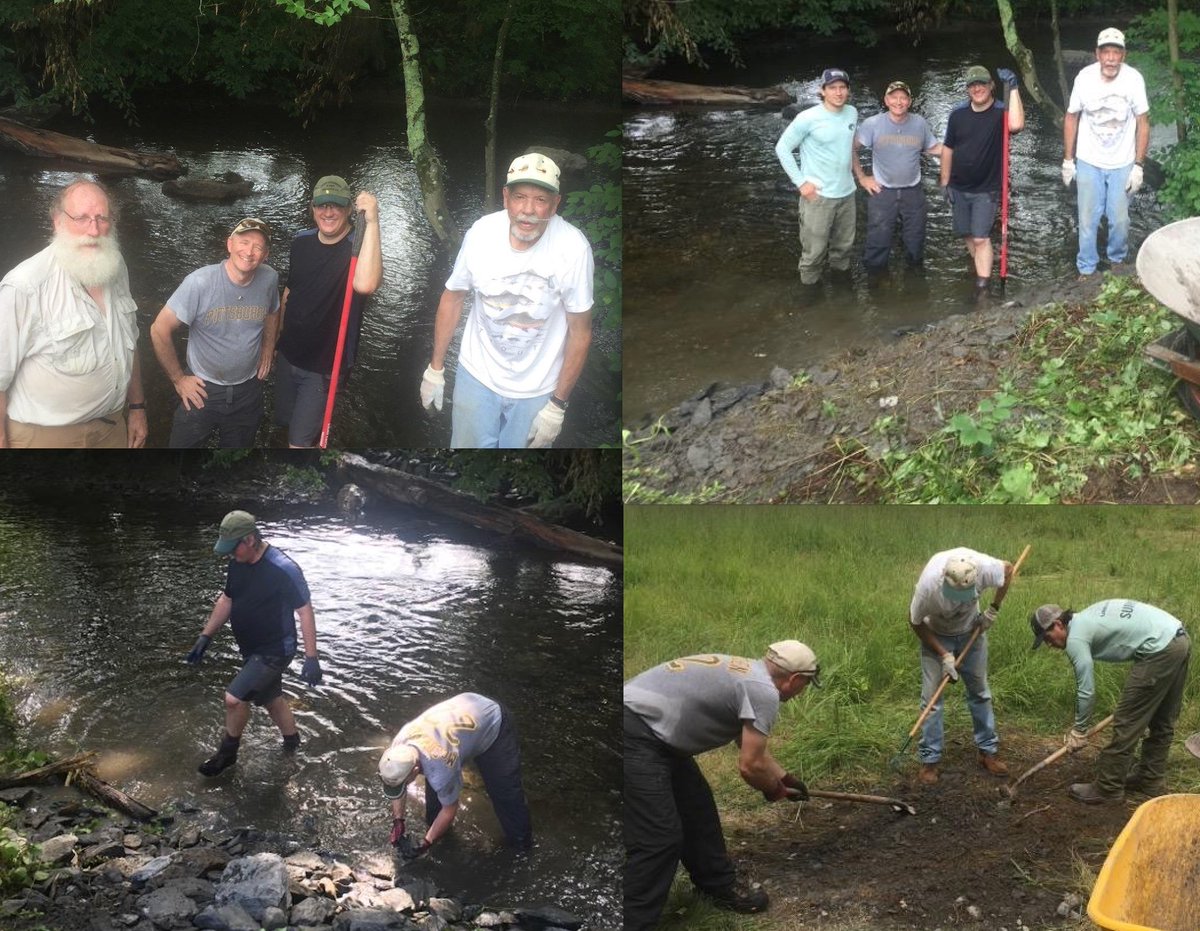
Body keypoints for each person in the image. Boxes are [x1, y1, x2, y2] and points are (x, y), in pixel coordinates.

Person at [623, 641, 819, 929]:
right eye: (805, 684)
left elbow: (749, 745)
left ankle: (717, 885)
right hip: (635, 734)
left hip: (658, 736)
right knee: (659, 838)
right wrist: (773, 789)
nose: (802, 691)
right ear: (794, 679)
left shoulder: (749, 673)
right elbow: (749, 766)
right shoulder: (764, 692)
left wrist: (784, 778)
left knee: (696, 810)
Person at [419, 152, 595, 448]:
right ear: (505, 198)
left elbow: (581, 331)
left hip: (537, 388)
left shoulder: (573, 249)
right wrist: (435, 369)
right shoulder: (481, 234)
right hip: (477, 375)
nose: (528, 210)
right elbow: (453, 297)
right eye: (520, 197)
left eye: (541, 200)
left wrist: (556, 406)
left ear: (555, 204)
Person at [0, 177, 148, 448]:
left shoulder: (115, 267)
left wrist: (137, 407)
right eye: (81, 218)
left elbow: (129, 342)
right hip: (44, 438)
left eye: (102, 218)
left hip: (111, 428)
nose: (93, 230)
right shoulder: (25, 286)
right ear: (57, 221)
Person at [184, 510, 324, 776]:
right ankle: (293, 746)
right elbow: (228, 599)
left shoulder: (283, 569)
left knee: (234, 699)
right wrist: (206, 636)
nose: (229, 555)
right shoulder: (238, 562)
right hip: (251, 649)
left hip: (274, 650)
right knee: (272, 700)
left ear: (249, 540)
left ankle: (227, 754)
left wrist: (311, 657)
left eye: (232, 548)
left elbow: (304, 610)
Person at [1030, 600, 1190, 803]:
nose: (1049, 645)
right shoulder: (1085, 616)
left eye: (1047, 638)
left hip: (1160, 648)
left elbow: (1086, 690)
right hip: (1178, 636)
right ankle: (1150, 779)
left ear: (1059, 625)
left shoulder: (1076, 639)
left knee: (1127, 720)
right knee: (1162, 719)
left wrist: (1079, 730)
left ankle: (1108, 787)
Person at [150, 218, 280, 448]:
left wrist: (268, 348)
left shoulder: (269, 278)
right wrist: (179, 379)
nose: (249, 252)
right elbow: (159, 329)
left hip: (248, 390)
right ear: (229, 244)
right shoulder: (199, 283)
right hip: (203, 389)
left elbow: (273, 311)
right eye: (244, 242)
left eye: (258, 247)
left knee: (236, 461)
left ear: (266, 254)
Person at [274, 176, 382, 448]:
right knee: (284, 423)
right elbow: (289, 292)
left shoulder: (358, 250)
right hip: (288, 355)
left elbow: (367, 284)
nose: (328, 212)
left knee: (298, 443)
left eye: (336, 205)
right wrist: (277, 341)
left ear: (348, 210)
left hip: (324, 367)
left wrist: (373, 222)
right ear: (313, 208)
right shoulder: (301, 241)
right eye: (322, 205)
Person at [378, 692, 532, 856]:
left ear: (416, 770)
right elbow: (396, 782)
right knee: (434, 810)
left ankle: (522, 849)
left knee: (505, 794)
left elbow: (449, 809)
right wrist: (398, 821)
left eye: (405, 783)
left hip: (493, 723)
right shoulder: (398, 747)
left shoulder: (442, 767)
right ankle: (445, 840)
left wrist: (426, 843)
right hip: (464, 712)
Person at [909, 548, 1015, 784]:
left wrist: (992, 610)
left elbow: (1008, 570)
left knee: (980, 693)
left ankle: (987, 752)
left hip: (972, 632)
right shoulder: (928, 587)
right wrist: (944, 654)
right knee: (932, 700)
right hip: (936, 635)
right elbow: (914, 622)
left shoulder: (984, 567)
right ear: (944, 580)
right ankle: (930, 761)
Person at [1061, 27, 1150, 280]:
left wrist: (1139, 165)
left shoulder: (1134, 79)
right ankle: (1086, 269)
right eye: (1106, 52)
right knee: (1088, 218)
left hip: (1123, 161)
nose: (1111, 58)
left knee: (1119, 219)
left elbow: (1143, 122)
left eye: (1116, 52)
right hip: (1089, 159)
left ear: (1123, 55)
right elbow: (1071, 116)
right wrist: (1068, 160)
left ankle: (1117, 260)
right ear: (1097, 54)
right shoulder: (1084, 78)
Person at [939, 65, 1025, 299]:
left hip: (987, 188)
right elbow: (948, 148)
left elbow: (1017, 125)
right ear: (968, 89)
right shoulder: (958, 114)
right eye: (972, 85)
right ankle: (981, 262)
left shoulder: (1001, 113)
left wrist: (1014, 88)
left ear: (991, 86)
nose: (977, 88)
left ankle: (983, 286)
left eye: (982, 84)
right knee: (967, 234)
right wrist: (944, 181)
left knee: (980, 237)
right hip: (958, 186)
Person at [775, 68, 858, 288]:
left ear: (848, 90)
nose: (838, 92)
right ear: (823, 91)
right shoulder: (807, 118)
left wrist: (861, 177)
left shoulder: (852, 113)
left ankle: (843, 295)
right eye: (832, 88)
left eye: (842, 88)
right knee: (814, 253)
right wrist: (802, 183)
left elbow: (847, 147)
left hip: (847, 194)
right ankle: (811, 301)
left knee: (844, 249)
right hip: (818, 197)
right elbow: (782, 148)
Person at [853, 80, 942, 274]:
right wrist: (862, 177)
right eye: (894, 97)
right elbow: (852, 148)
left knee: (915, 242)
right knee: (878, 242)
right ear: (886, 100)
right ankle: (876, 284)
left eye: (903, 97)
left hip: (913, 191)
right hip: (882, 191)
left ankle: (914, 283)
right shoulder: (873, 124)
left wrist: (962, 150)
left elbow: (934, 148)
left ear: (909, 101)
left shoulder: (919, 122)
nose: (898, 102)